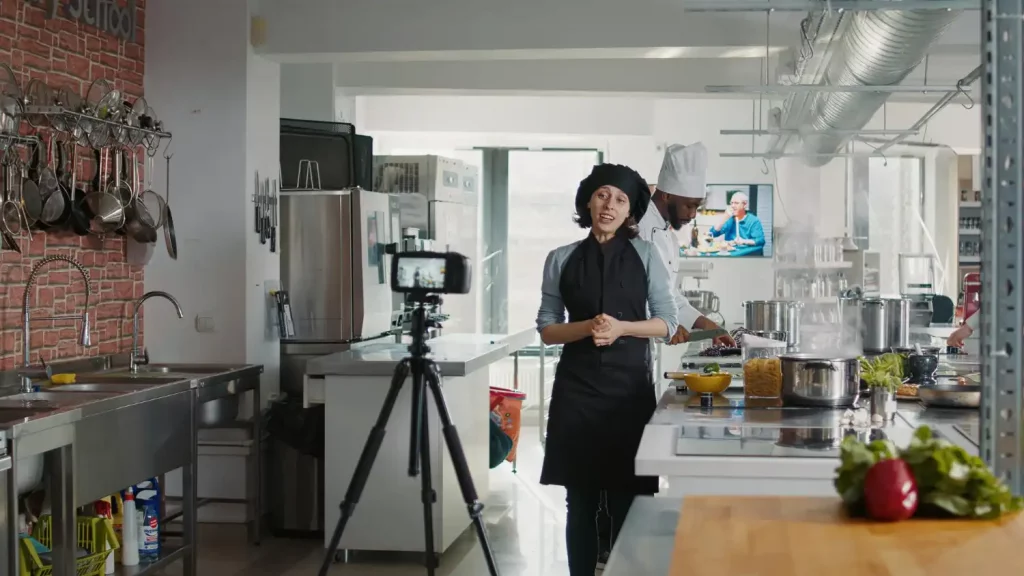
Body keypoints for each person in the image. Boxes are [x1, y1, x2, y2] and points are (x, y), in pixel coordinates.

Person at [535, 163, 677, 576]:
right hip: (576, 391)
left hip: (628, 393)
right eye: (602, 195)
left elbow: (666, 322)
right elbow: (547, 327)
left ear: (630, 210)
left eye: (620, 199)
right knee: (578, 500)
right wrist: (587, 327)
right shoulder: (560, 258)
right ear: (588, 200)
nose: (609, 205)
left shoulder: (647, 255)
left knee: (627, 498)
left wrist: (621, 328)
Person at [638, 142, 735, 346]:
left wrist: (708, 325)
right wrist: (665, 326)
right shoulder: (638, 227)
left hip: (642, 350)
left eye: (697, 207)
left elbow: (669, 295)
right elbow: (630, 295)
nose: (692, 214)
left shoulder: (669, 237)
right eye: (689, 205)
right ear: (667, 195)